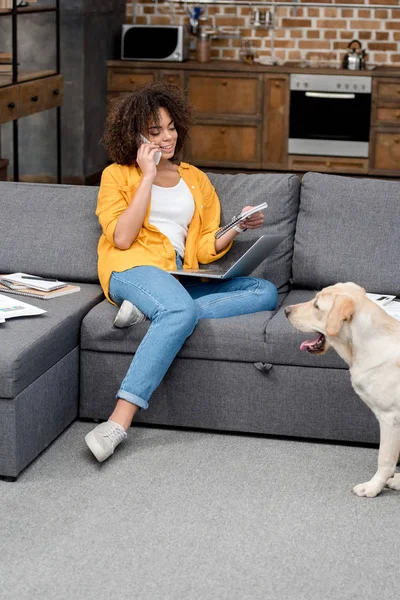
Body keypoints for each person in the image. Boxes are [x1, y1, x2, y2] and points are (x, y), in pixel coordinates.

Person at [85, 81, 278, 462]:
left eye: (171, 127)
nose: (167, 137)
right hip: (132, 267)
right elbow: (122, 238)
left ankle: (156, 313)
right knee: (179, 310)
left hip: (177, 275)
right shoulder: (117, 176)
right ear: (135, 135)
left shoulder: (196, 179)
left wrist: (237, 226)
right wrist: (146, 175)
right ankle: (118, 423)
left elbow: (205, 248)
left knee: (264, 291)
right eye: (155, 132)